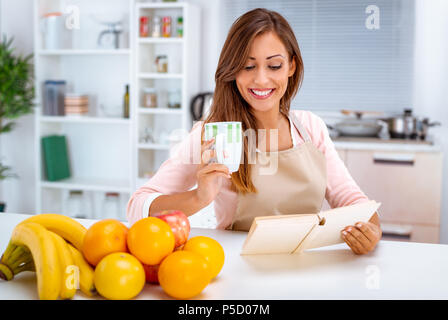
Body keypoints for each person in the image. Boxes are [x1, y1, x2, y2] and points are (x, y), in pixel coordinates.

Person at [127, 8, 382, 255]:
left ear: (291, 67)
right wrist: (199, 197)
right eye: (248, 67)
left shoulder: (311, 129)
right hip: (237, 269)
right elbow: (138, 206)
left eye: (274, 66)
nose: (261, 80)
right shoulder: (213, 135)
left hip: (304, 269)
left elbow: (352, 200)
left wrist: (371, 232)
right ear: (232, 70)